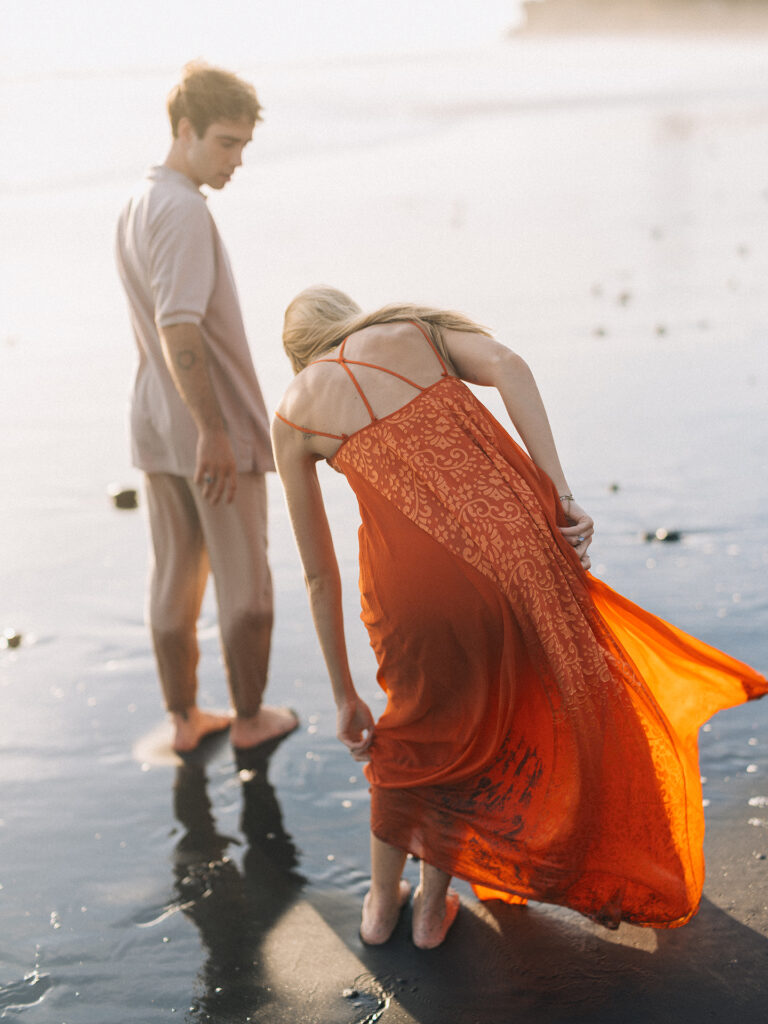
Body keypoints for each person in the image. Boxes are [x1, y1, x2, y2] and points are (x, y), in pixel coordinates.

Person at [272, 285, 767, 949]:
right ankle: (431, 905)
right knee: (490, 725)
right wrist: (560, 496)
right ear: (346, 317)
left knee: (419, 731)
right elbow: (511, 366)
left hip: (406, 589)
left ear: (298, 354)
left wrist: (342, 693)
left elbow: (317, 572)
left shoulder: (294, 412)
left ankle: (382, 903)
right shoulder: (411, 330)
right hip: (510, 554)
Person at [115, 61, 297, 754]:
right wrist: (215, 432)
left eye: (244, 146)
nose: (236, 160)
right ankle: (250, 720)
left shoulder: (140, 199)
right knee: (246, 586)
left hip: (153, 421)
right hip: (203, 428)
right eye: (225, 143)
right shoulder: (184, 209)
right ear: (184, 130)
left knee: (175, 576)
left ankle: (185, 719)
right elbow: (179, 326)